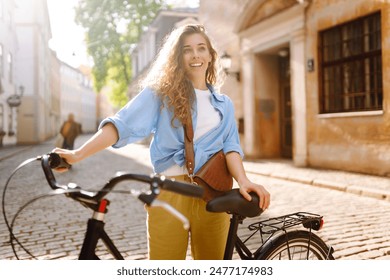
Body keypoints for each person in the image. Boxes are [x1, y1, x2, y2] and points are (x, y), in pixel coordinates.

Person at [53, 24, 270, 260]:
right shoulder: (160, 94)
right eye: (187, 49)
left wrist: (244, 179)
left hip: (214, 195)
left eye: (201, 48)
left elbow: (231, 148)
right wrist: (78, 154)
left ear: (210, 56)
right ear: (178, 57)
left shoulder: (224, 104)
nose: (195, 54)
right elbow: (121, 125)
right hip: (170, 192)